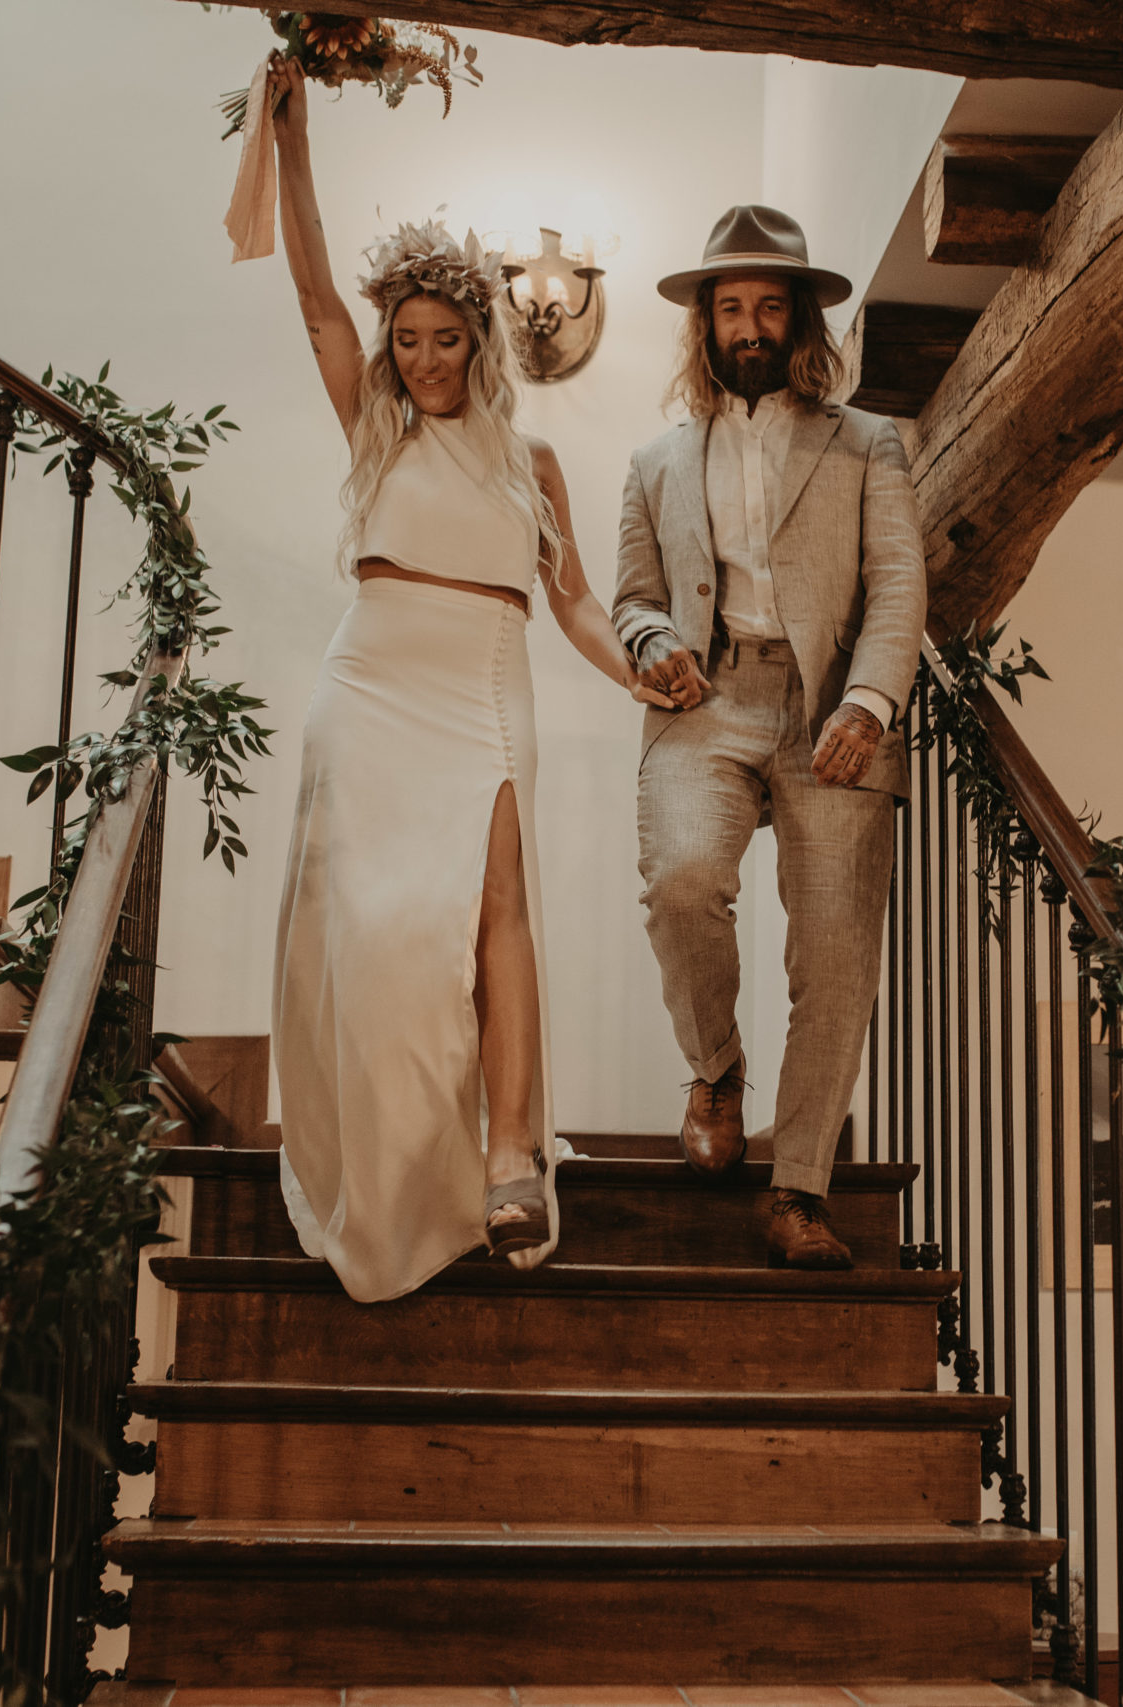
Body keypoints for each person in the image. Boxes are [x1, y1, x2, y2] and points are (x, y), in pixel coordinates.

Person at [266, 59, 663, 1302]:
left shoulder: (530, 462)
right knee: (371, 938)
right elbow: (318, 297)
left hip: (483, 690)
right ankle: (384, 1173)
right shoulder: (375, 426)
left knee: (496, 913)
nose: (426, 359)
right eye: (410, 341)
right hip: (369, 681)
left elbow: (577, 604)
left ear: (480, 338)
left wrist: (639, 671)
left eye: (446, 339)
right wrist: (291, 143)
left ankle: (507, 1158)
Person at [615, 205, 927, 1271]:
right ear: (705, 326)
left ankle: (797, 1189)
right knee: (683, 882)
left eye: (768, 305)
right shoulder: (654, 461)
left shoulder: (868, 439)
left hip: (831, 704)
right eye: (731, 307)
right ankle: (716, 1070)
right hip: (707, 700)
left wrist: (868, 703)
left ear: (799, 320)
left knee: (834, 952)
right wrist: (652, 639)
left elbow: (896, 583)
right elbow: (631, 600)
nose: (748, 325)